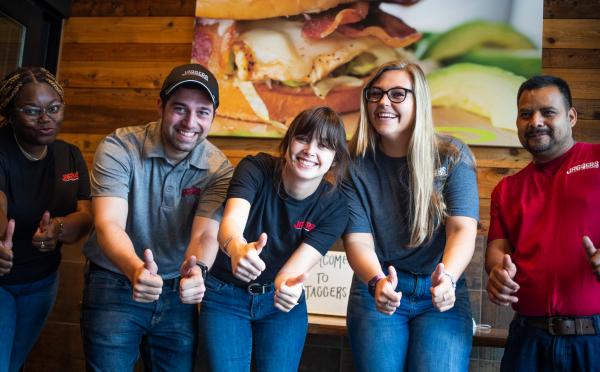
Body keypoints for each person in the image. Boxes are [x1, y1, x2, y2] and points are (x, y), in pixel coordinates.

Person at [79, 64, 234, 372]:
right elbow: (108, 223)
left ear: (213, 117)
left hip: (178, 291)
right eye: (180, 108)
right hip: (114, 282)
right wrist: (136, 269)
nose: (190, 122)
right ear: (161, 106)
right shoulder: (119, 147)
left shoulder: (219, 168)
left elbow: (205, 235)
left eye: (203, 112)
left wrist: (198, 271)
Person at [342, 61, 479, 372]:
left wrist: (449, 279)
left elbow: (461, 230)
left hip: (439, 290)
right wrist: (377, 282)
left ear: (420, 101)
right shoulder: (352, 165)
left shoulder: (452, 156)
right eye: (375, 94)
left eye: (398, 94)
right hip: (379, 288)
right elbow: (358, 241)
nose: (383, 102)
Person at [198, 106, 350, 372]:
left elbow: (292, 271)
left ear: (335, 159)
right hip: (225, 296)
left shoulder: (335, 207)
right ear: (289, 141)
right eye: (303, 138)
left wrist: (287, 287)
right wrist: (236, 248)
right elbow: (231, 222)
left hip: (280, 304)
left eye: (324, 145)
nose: (310, 150)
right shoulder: (256, 168)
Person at [485, 75, 600, 372]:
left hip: (595, 341)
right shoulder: (506, 189)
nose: (535, 121)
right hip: (527, 341)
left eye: (548, 112)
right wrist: (498, 270)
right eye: (526, 114)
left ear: (571, 117)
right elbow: (498, 248)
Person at [0, 67, 94, 372]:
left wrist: (59, 228)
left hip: (42, 281)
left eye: (54, 108)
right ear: (10, 113)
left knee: (13, 364)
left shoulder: (70, 156)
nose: (46, 118)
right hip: (2, 278)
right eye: (31, 111)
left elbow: (86, 215)